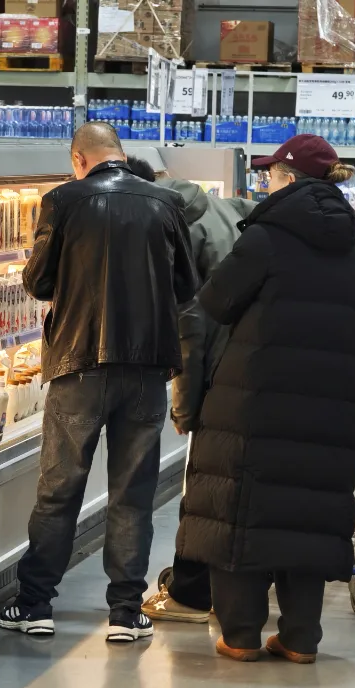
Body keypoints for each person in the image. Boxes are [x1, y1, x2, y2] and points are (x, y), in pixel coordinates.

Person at [0, 123, 199, 643]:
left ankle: (35, 604)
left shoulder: (63, 201)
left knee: (59, 490)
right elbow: (186, 285)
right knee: (133, 493)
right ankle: (126, 612)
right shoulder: (165, 202)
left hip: (78, 365)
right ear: (120, 153)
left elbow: (37, 281)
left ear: (78, 160)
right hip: (147, 371)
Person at [174, 134, 355, 663]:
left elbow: (216, 301)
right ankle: (301, 639)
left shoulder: (266, 237)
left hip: (256, 395)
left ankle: (240, 634)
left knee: (241, 506)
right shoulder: (345, 245)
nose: (264, 181)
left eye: (270, 173)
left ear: (288, 178)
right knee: (306, 511)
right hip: (327, 399)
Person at [123, 157, 259, 624]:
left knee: (204, 488)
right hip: (249, 362)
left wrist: (185, 407)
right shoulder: (217, 205)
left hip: (221, 372)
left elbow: (189, 328)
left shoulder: (170, 229)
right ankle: (230, 583)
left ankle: (191, 595)